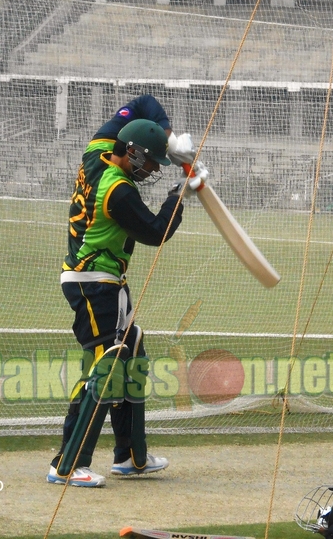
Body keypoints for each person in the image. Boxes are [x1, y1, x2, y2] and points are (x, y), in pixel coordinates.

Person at [47, 95, 207, 488]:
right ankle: (68, 465)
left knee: (132, 353)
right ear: (131, 152)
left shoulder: (97, 151)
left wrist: (169, 140)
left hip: (108, 282)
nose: (152, 168)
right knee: (104, 368)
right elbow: (156, 232)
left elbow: (144, 102)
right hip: (91, 282)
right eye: (150, 161)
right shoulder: (118, 191)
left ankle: (131, 457)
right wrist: (178, 194)